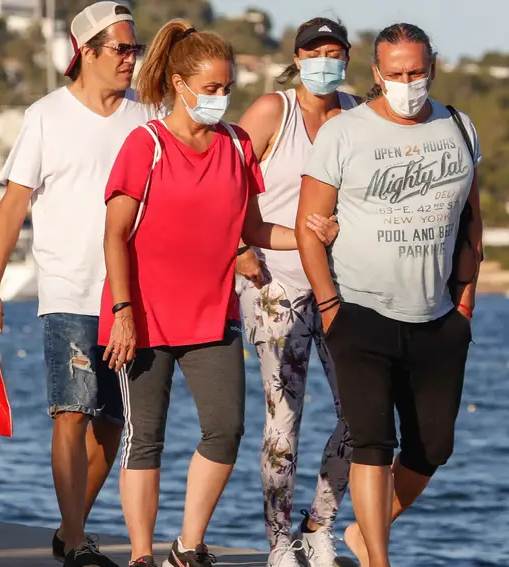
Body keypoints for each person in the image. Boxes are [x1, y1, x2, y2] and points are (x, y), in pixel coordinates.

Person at [97, 18, 340, 567]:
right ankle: (140, 555)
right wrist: (122, 311)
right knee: (145, 440)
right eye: (210, 89)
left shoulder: (235, 146)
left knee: (225, 431)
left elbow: (253, 229)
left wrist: (316, 233)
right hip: (143, 316)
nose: (220, 99)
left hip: (211, 316)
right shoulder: (146, 144)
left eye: (227, 88)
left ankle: (188, 546)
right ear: (180, 85)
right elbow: (114, 233)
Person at [0, 2, 164, 566]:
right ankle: (78, 542)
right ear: (86, 52)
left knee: (114, 422)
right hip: (66, 288)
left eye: (136, 48)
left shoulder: (149, 114)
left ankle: (68, 527)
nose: (131, 60)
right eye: (121, 50)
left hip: (129, 296)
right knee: (71, 412)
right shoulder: (45, 116)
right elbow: (12, 206)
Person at [295, 23, 483, 567]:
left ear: (433, 67)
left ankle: (363, 535)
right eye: (395, 73)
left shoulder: (460, 127)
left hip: (439, 316)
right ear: (376, 74)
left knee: (432, 449)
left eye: (416, 72)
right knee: (373, 443)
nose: (407, 82)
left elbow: (473, 220)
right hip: (360, 312)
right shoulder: (343, 133)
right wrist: (331, 307)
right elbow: (310, 226)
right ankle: (380, 559)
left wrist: (466, 302)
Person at [235, 17, 360, 567]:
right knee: (283, 420)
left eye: (335, 51)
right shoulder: (272, 111)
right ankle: (279, 542)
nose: (325, 60)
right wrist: (237, 247)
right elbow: (225, 181)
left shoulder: (359, 113)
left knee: (362, 412)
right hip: (273, 281)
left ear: (349, 58)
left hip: (341, 285)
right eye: (315, 51)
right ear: (298, 56)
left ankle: (319, 524)